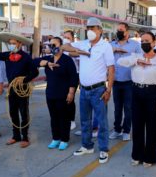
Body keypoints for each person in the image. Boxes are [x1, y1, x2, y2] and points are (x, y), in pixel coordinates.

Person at [61, 17, 115, 164]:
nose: (90, 30)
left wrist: (109, 89)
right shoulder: (83, 44)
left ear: (100, 30)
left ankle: (103, 149)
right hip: (83, 90)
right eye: (88, 28)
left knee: (102, 122)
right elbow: (64, 47)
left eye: (93, 28)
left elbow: (111, 69)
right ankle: (87, 146)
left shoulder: (105, 46)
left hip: (98, 90)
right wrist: (81, 52)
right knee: (85, 120)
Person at [117, 32, 156, 166]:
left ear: (153, 43)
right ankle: (137, 155)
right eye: (142, 41)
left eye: (147, 41)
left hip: (153, 93)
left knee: (152, 126)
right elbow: (120, 61)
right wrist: (136, 61)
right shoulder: (136, 56)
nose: (144, 43)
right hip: (136, 92)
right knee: (137, 125)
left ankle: (149, 157)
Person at [0, 31, 38, 148]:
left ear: (19, 44)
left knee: (23, 113)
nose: (11, 45)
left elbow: (35, 72)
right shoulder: (7, 55)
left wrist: (25, 79)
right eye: (10, 43)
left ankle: (25, 137)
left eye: (13, 43)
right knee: (13, 113)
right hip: (11, 89)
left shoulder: (26, 57)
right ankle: (16, 136)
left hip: (22, 88)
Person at [34, 36, 78, 150]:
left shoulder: (67, 60)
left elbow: (73, 77)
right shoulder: (49, 59)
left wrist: (71, 93)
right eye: (50, 45)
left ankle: (64, 139)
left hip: (64, 94)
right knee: (54, 117)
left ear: (61, 46)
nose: (52, 47)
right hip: (51, 93)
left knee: (64, 117)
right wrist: (46, 63)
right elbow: (34, 62)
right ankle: (56, 138)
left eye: (55, 45)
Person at [109, 22, 142, 141]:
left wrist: (130, 58)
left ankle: (126, 130)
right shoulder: (111, 44)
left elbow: (141, 58)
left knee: (128, 108)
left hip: (129, 81)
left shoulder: (135, 44)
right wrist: (114, 49)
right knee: (117, 107)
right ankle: (117, 129)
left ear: (127, 32)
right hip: (115, 81)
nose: (118, 32)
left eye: (121, 30)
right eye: (117, 29)